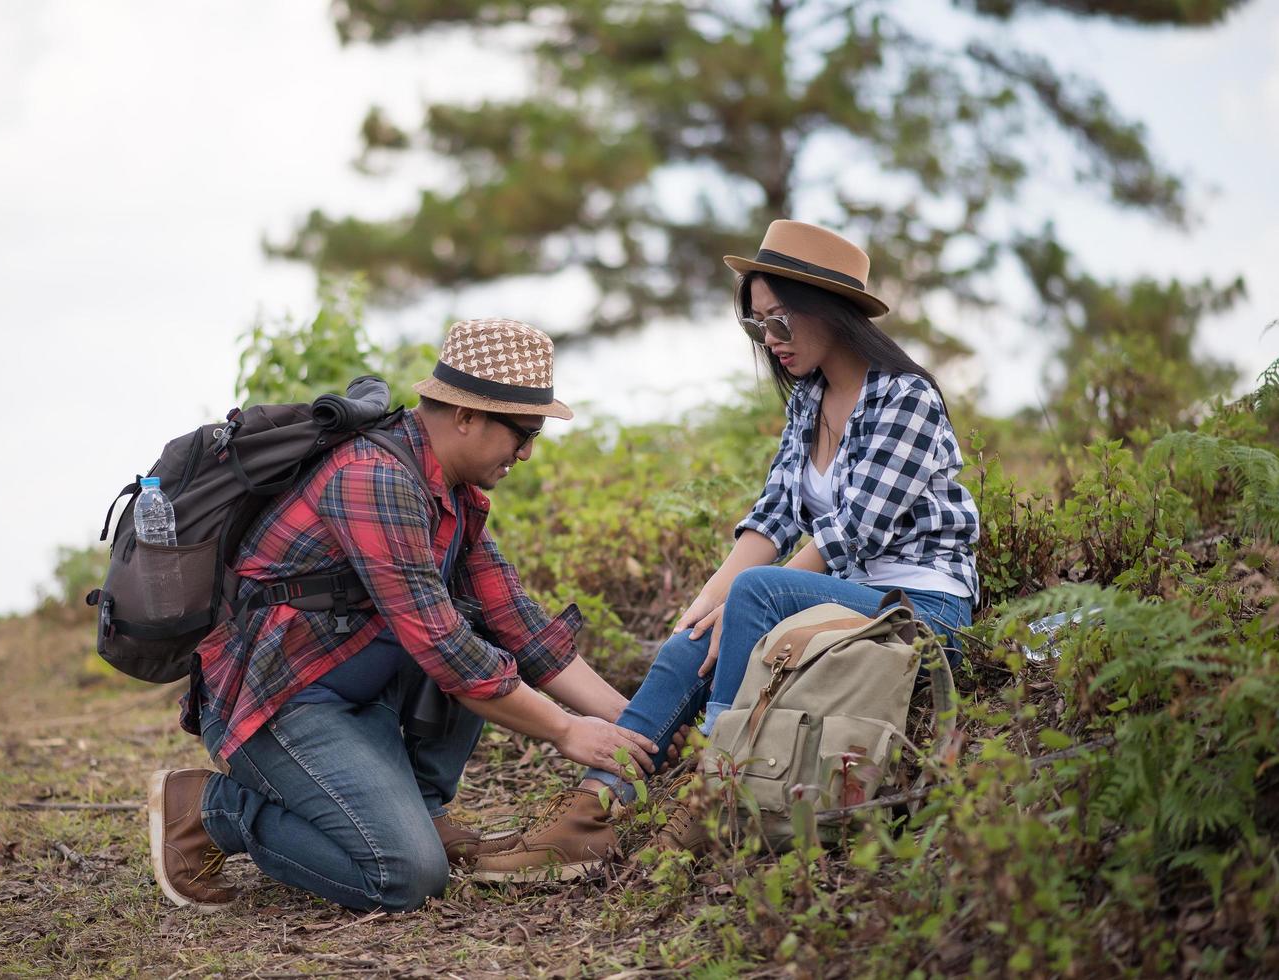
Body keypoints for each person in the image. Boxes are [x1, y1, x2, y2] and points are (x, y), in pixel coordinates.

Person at [473, 220, 980, 880]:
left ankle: (715, 791)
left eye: (782, 322)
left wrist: (746, 603)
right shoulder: (810, 400)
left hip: (921, 606)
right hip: (840, 601)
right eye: (758, 327)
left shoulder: (904, 397)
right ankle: (589, 815)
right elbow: (772, 517)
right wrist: (702, 610)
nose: (772, 342)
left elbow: (847, 534)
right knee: (694, 636)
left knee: (752, 597)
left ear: (832, 312)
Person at [148, 318, 665, 913]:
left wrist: (638, 727)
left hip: (352, 689)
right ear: (466, 415)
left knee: (481, 624)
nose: (526, 452)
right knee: (405, 875)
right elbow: (447, 653)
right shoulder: (375, 479)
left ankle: (419, 807)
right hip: (277, 701)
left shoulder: (454, 493)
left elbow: (519, 625)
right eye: (521, 433)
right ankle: (212, 811)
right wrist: (569, 731)